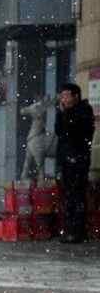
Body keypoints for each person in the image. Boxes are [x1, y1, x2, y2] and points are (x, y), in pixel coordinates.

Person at [54, 83, 95, 243]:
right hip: (66, 158)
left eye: (66, 95)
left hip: (79, 159)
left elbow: (78, 132)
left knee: (77, 194)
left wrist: (66, 116)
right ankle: (68, 230)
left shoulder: (84, 110)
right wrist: (62, 114)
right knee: (68, 195)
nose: (63, 99)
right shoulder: (63, 112)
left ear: (75, 96)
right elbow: (59, 131)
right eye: (62, 96)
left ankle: (78, 232)